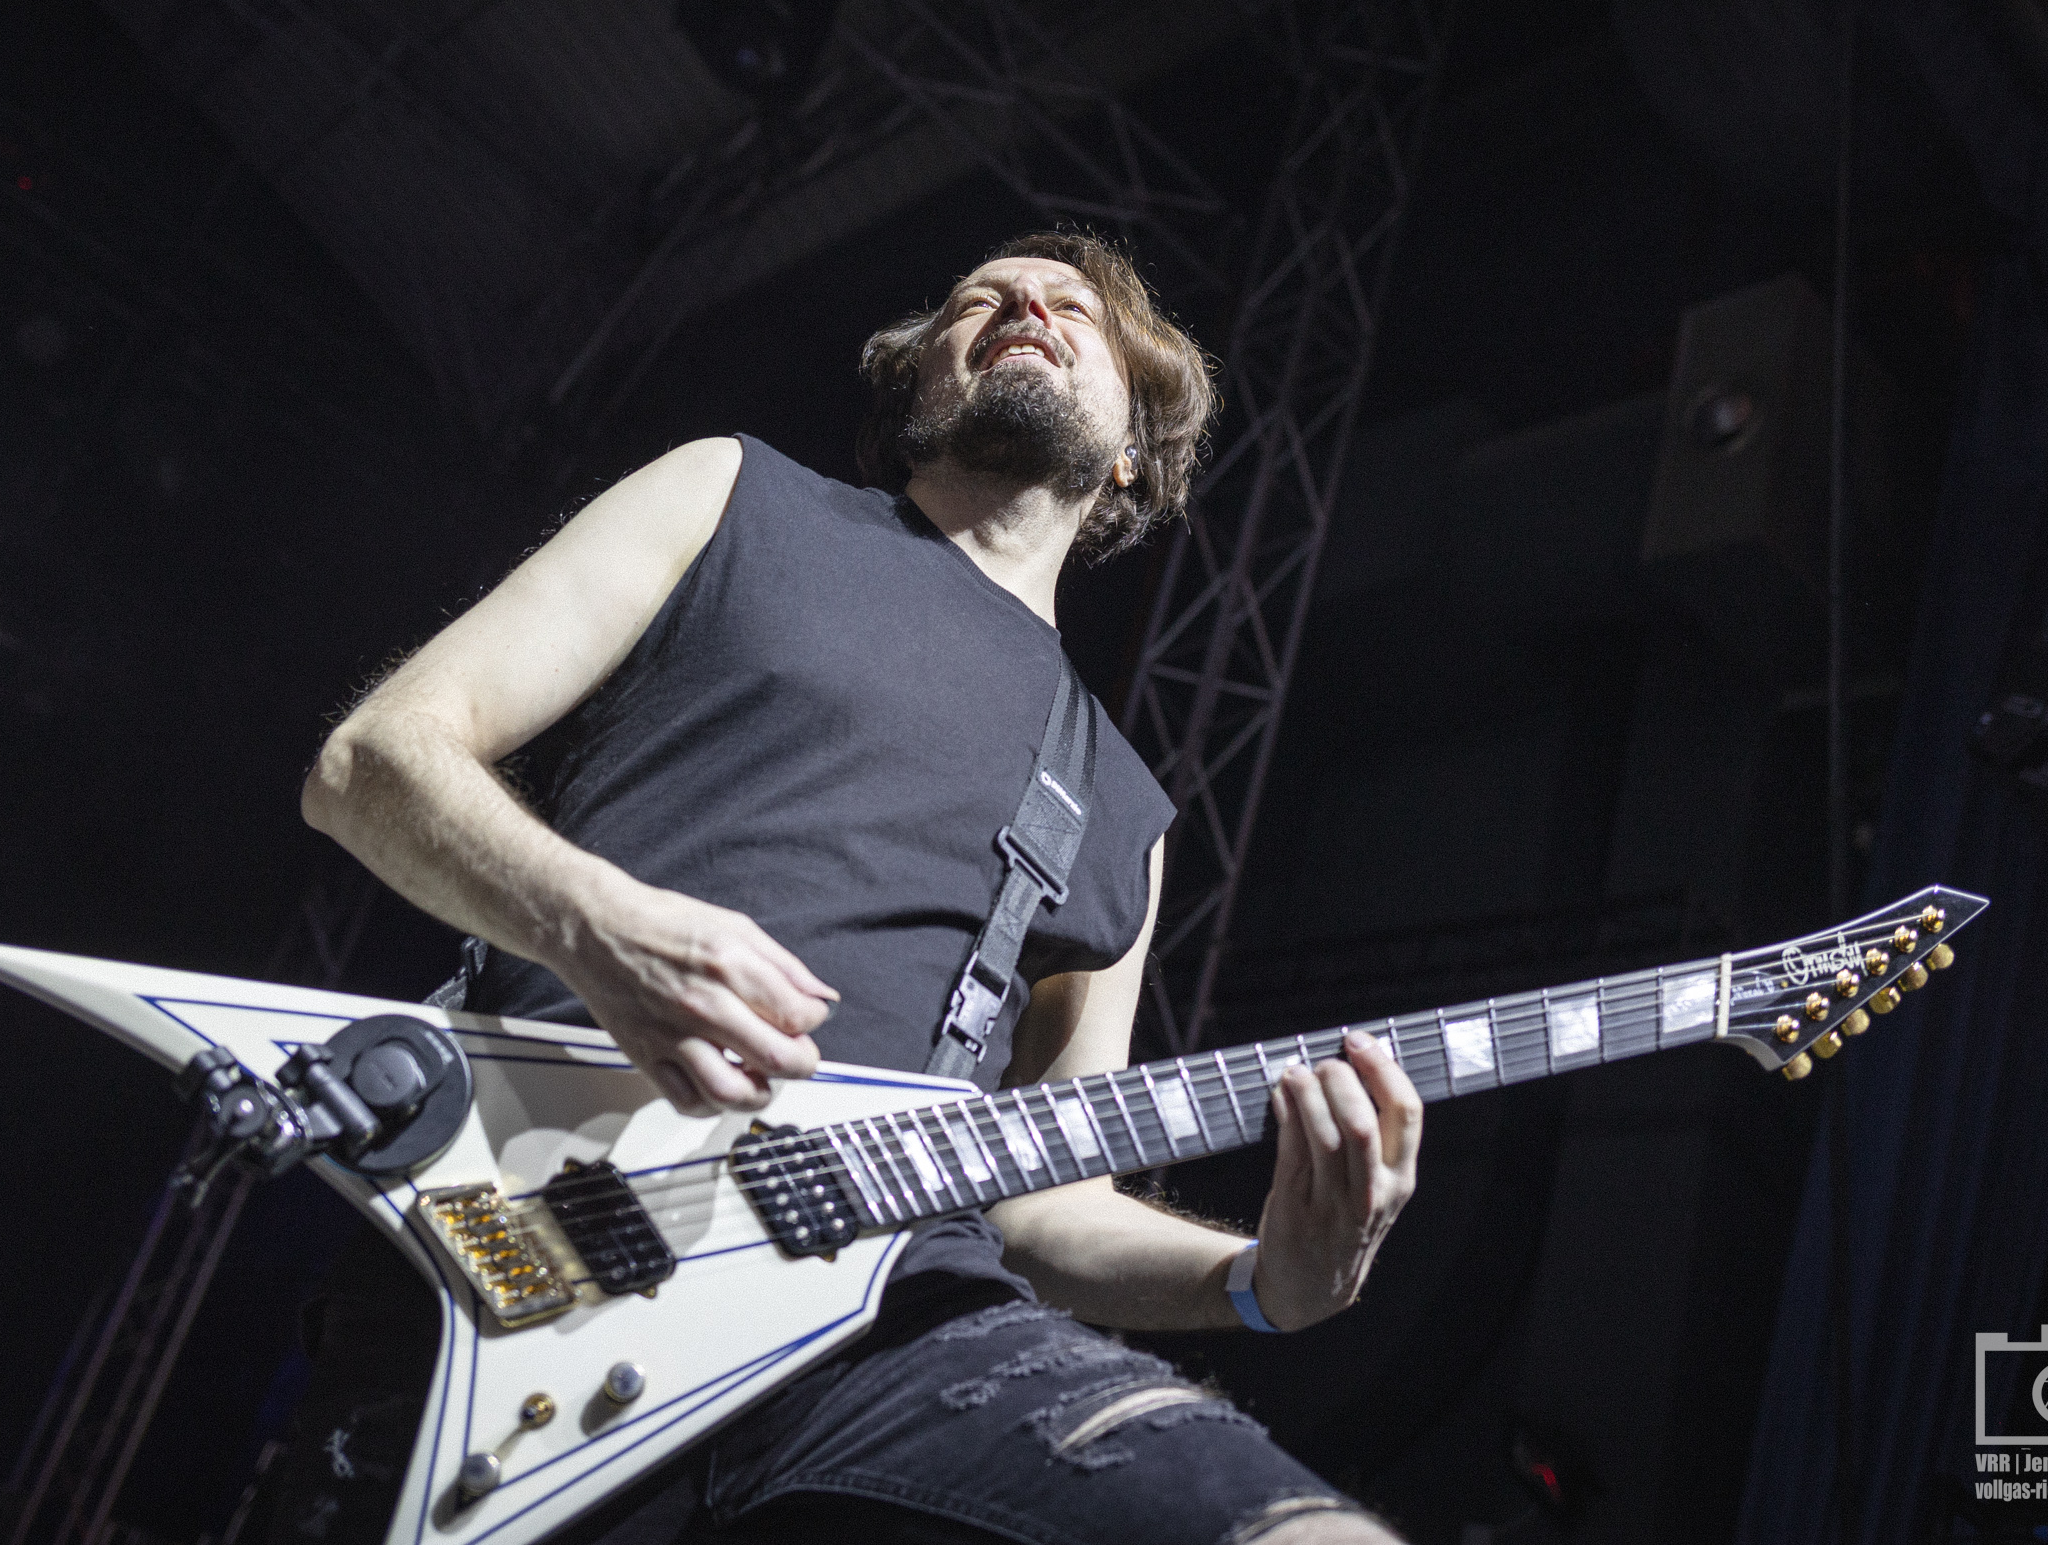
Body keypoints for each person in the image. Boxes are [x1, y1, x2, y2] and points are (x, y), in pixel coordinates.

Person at [287, 231, 1423, 1545]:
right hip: (541, 1241)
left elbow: (1044, 1203)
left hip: (888, 1324)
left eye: (1079, 310)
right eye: (979, 297)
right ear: (919, 390)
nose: (1025, 301)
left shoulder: (1121, 808)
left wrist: (1262, 1282)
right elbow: (374, 760)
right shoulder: (734, 498)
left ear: (1130, 456)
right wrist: (590, 923)